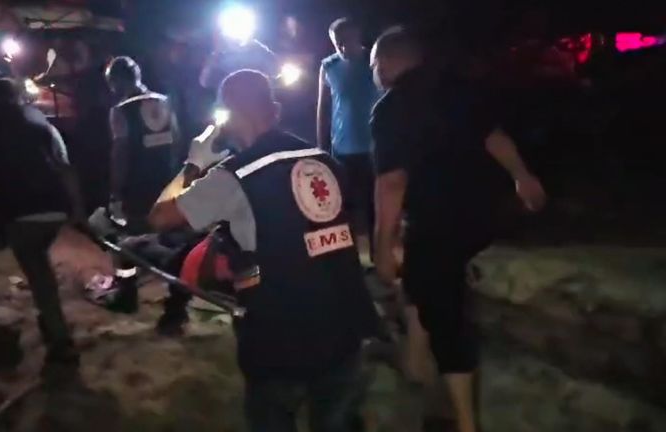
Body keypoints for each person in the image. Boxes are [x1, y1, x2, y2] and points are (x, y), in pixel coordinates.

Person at [150, 70, 379, 431]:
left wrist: (193, 163)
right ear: (274, 110)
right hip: (345, 324)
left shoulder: (234, 175)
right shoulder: (326, 161)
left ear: (228, 115)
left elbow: (161, 216)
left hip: (279, 334)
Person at [369, 28, 546, 432]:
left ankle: (463, 420)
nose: (374, 74)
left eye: (374, 66)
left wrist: (381, 248)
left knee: (440, 304)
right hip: (486, 213)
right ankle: (415, 366)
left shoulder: (391, 108)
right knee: (416, 274)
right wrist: (523, 177)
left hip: (440, 223)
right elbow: (495, 137)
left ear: (387, 63)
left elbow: (391, 184)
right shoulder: (456, 89)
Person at [0, 78, 85, 379]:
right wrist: (75, 208)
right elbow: (64, 166)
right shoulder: (41, 125)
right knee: (42, 271)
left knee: (40, 277)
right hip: (54, 207)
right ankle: (51, 325)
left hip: (21, 213)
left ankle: (61, 342)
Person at [317, 18, 380, 262]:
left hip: (375, 146)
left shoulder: (374, 61)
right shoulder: (328, 66)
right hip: (343, 147)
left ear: (358, 37)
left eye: (347, 41)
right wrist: (321, 147)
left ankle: (378, 255)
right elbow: (323, 109)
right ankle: (350, 260)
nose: (343, 48)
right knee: (347, 206)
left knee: (376, 204)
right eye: (337, 43)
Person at [106, 56, 180, 232]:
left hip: (137, 187)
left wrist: (115, 187)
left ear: (116, 81)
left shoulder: (120, 110)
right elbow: (177, 141)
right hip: (167, 180)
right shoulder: (164, 102)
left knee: (140, 239)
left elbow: (121, 152)